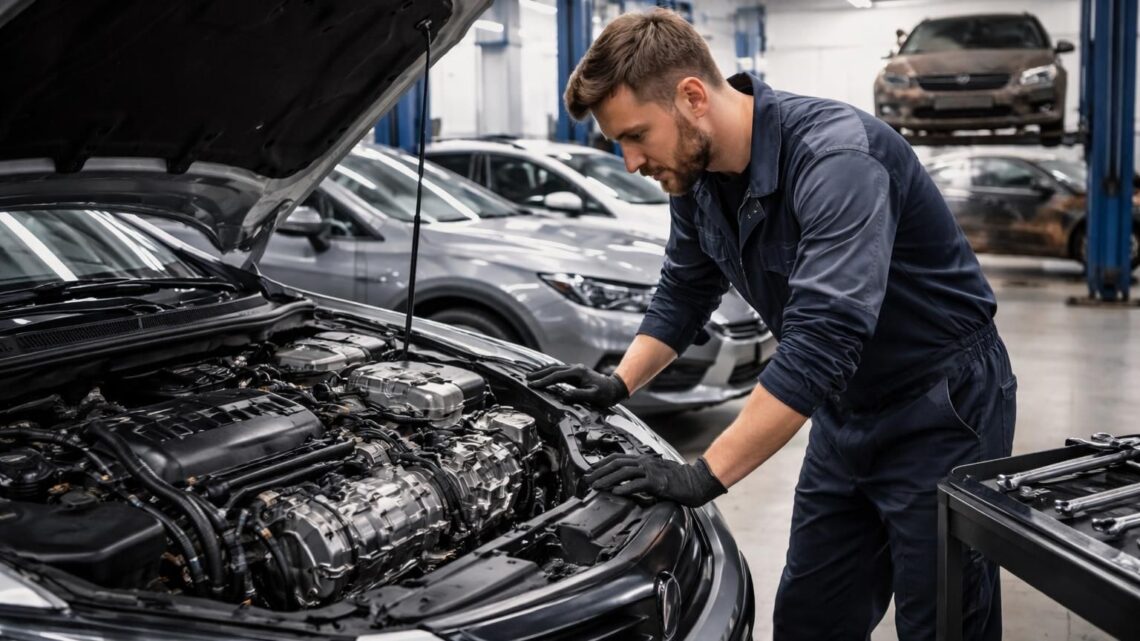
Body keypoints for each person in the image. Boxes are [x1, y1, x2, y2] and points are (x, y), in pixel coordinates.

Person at [526, 9, 1016, 641]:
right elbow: (684, 290)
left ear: (693, 97)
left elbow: (823, 340)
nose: (630, 162)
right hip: (843, 411)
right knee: (811, 618)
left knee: (943, 622)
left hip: (941, 410)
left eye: (637, 135)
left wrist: (702, 474)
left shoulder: (838, 158)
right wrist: (619, 384)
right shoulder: (697, 179)